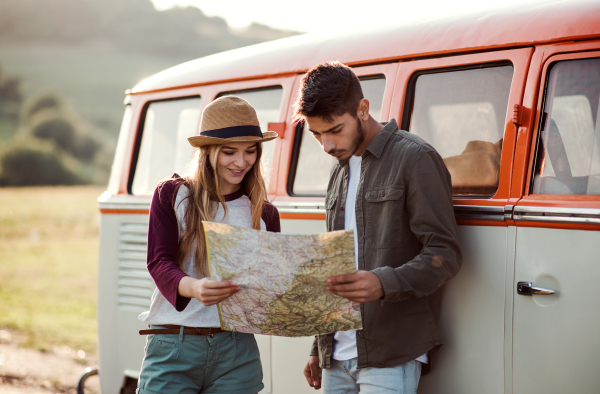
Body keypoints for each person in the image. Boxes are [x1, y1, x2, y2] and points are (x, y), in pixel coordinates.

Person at [295, 62, 462, 394]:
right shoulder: (338, 171)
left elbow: (446, 253)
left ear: (363, 109)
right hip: (337, 355)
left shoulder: (415, 157)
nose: (327, 145)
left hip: (391, 352)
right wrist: (319, 347)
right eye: (316, 134)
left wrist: (384, 283)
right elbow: (334, 264)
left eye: (335, 130)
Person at [136, 96, 280, 394]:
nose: (242, 162)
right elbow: (159, 262)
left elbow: (268, 284)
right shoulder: (172, 195)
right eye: (230, 152)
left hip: (238, 352)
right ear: (207, 151)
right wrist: (195, 288)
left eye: (250, 151)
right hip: (174, 346)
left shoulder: (264, 213)